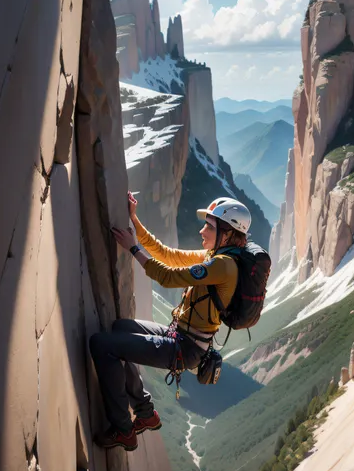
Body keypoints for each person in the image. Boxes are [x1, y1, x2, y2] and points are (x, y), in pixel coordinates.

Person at [89, 192, 252, 451]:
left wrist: (133, 248)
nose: (202, 230)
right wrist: (134, 220)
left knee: (100, 344)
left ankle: (123, 430)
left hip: (186, 349)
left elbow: (167, 276)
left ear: (227, 232)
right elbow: (167, 254)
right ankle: (145, 413)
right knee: (121, 327)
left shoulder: (223, 266)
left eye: (209, 226)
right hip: (179, 335)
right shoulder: (214, 257)